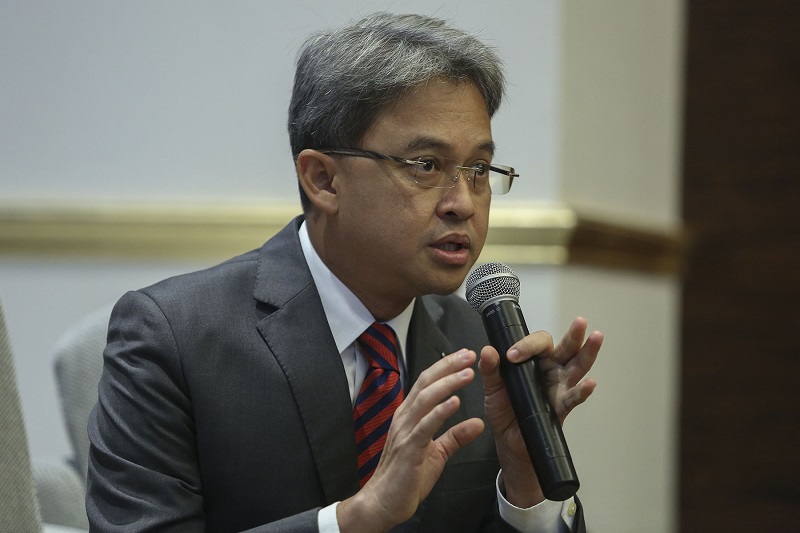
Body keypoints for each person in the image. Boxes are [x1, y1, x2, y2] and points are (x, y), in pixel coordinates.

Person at [86, 12, 602, 533]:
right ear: (323, 179)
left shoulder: (481, 348)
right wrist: (355, 519)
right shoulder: (174, 336)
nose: (463, 203)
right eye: (426, 165)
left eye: (478, 170)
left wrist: (526, 489)